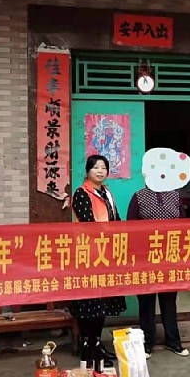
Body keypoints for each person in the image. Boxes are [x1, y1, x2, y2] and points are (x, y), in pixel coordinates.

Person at [127, 147, 190, 358]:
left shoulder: (175, 196)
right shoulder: (138, 197)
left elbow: (183, 227)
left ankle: (174, 341)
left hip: (169, 258)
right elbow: (130, 229)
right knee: (146, 302)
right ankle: (147, 343)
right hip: (145, 259)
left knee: (169, 301)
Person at [70, 154, 126, 365]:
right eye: (95, 168)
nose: (100, 171)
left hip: (107, 254)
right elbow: (88, 223)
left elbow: (116, 218)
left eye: (103, 167)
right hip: (89, 255)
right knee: (90, 302)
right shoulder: (81, 193)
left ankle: (96, 343)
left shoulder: (107, 193)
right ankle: (89, 346)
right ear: (88, 171)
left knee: (102, 302)